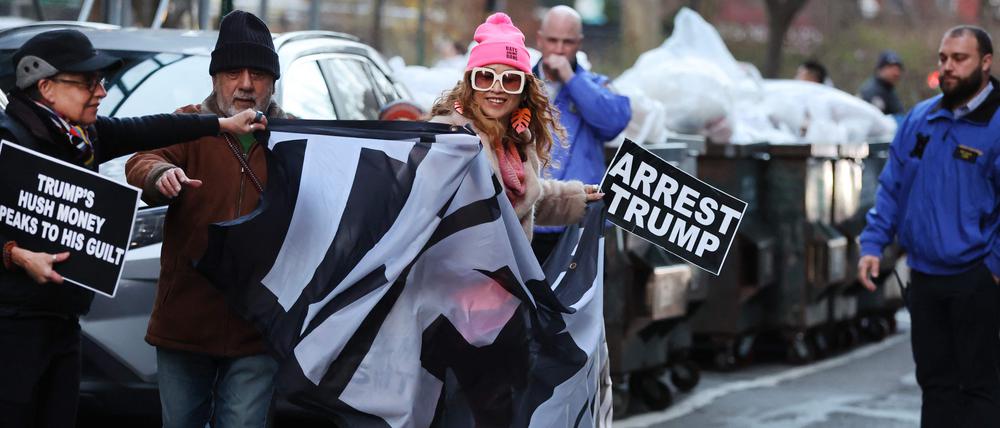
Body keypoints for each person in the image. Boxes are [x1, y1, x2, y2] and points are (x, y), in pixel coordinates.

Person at [0, 29, 263, 428]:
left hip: (63, 321)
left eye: (101, 82)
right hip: (11, 328)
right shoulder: (9, 140)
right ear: (46, 87)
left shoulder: (83, 137)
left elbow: (150, 128)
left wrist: (221, 125)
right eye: (88, 83)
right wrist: (16, 255)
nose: (101, 92)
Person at [124, 10, 291, 428]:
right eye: (234, 72)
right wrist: (160, 174)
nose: (247, 85)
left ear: (273, 81)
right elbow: (141, 158)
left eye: (258, 74)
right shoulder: (188, 124)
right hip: (185, 324)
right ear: (216, 77)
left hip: (259, 328)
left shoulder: (296, 137)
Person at [858, 25, 1000, 427]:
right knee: (935, 386)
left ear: (985, 63)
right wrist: (873, 245)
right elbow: (891, 188)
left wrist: (993, 269)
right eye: (943, 58)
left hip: (976, 278)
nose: (948, 68)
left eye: (959, 59)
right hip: (924, 277)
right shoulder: (922, 118)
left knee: (979, 389)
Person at [429, 12, 602, 241]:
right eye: (485, 77)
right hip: (456, 273)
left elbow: (523, 203)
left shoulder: (518, 137)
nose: (497, 88)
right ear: (470, 83)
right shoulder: (448, 137)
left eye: (510, 79)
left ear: (523, 90)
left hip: (506, 274)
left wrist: (577, 197)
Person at [530, 5, 631, 261]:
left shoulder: (595, 86)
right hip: (530, 218)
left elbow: (613, 123)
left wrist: (571, 79)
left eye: (568, 42)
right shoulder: (518, 84)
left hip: (580, 221)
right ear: (540, 39)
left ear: (580, 43)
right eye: (553, 40)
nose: (560, 49)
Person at [857, 49, 905, 115]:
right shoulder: (870, 91)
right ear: (880, 69)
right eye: (891, 67)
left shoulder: (890, 91)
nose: (896, 73)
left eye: (898, 69)